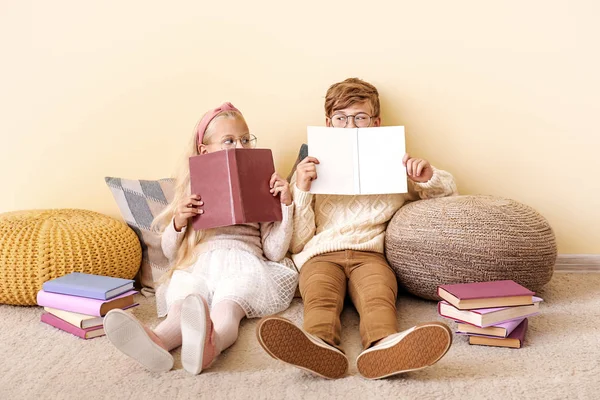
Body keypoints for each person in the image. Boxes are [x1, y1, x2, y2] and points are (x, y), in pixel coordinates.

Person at [256, 78, 458, 380]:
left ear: (376, 123)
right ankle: (317, 343)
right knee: (320, 298)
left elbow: (446, 196)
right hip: (320, 255)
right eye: (341, 118)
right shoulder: (308, 168)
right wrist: (302, 189)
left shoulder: (394, 162)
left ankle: (385, 344)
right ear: (329, 123)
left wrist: (426, 176)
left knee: (378, 297)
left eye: (360, 118)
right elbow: (297, 243)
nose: (350, 127)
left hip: (370, 255)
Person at [104, 102, 298, 374]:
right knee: (183, 304)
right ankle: (156, 342)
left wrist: (286, 206)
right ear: (205, 151)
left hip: (244, 262)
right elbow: (171, 252)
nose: (240, 147)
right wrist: (179, 221)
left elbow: (275, 251)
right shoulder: (192, 191)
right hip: (198, 264)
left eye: (245, 139)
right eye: (229, 141)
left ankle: (211, 345)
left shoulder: (262, 183)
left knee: (226, 308)